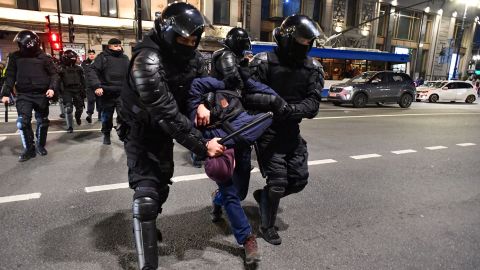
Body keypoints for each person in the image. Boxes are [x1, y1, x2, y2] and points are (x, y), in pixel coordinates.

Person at [119, 3, 238, 269]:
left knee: (161, 185)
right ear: (167, 31)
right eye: (184, 38)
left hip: (166, 129)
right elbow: (166, 113)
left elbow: (201, 86)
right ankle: (147, 261)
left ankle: (146, 225)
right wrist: (203, 144)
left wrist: (202, 103)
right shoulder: (147, 60)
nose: (189, 43)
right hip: (141, 128)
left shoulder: (192, 58)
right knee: (147, 194)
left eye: (194, 39)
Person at [249, 14, 325, 245]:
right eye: (301, 41)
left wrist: (290, 109)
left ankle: (265, 198)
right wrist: (273, 103)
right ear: (286, 38)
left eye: (308, 42)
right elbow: (247, 94)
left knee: (299, 180)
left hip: (291, 131)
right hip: (267, 131)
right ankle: (267, 226)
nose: (305, 46)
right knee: (278, 181)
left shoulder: (313, 68)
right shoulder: (262, 62)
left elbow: (312, 105)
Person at [207, 27, 255, 223]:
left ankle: (219, 200)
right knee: (230, 176)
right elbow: (234, 80)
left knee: (241, 185)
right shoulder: (226, 56)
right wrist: (245, 68)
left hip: (237, 118)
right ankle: (220, 201)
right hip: (226, 120)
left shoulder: (229, 56)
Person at [1, 30, 58, 161]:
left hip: (41, 94)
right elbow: (10, 76)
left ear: (29, 44)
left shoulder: (44, 57)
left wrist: (52, 88)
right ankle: (29, 149)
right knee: (22, 122)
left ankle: (40, 145)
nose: (19, 47)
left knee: (42, 121)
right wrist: (5, 93)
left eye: (21, 44)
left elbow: (54, 75)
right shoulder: (15, 57)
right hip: (23, 94)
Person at [88, 38, 129, 145]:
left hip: (121, 93)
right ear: (109, 46)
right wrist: (97, 86)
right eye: (116, 46)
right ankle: (106, 134)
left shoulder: (125, 58)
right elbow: (92, 71)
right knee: (106, 117)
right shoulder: (102, 58)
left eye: (119, 45)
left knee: (124, 116)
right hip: (107, 93)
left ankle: (123, 135)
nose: (118, 47)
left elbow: (130, 74)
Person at [58, 50, 86, 133]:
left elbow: (83, 80)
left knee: (80, 108)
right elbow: (58, 81)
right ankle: (70, 126)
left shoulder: (79, 68)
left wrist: (84, 90)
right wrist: (59, 93)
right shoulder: (60, 69)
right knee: (68, 108)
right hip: (67, 90)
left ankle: (77, 117)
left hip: (77, 89)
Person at [81, 49, 101, 123]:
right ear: (88, 55)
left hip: (98, 85)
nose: (91, 55)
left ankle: (100, 115)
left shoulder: (98, 62)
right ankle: (89, 115)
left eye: (93, 54)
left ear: (95, 55)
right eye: (90, 54)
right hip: (89, 85)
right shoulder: (84, 63)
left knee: (99, 100)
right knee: (91, 100)